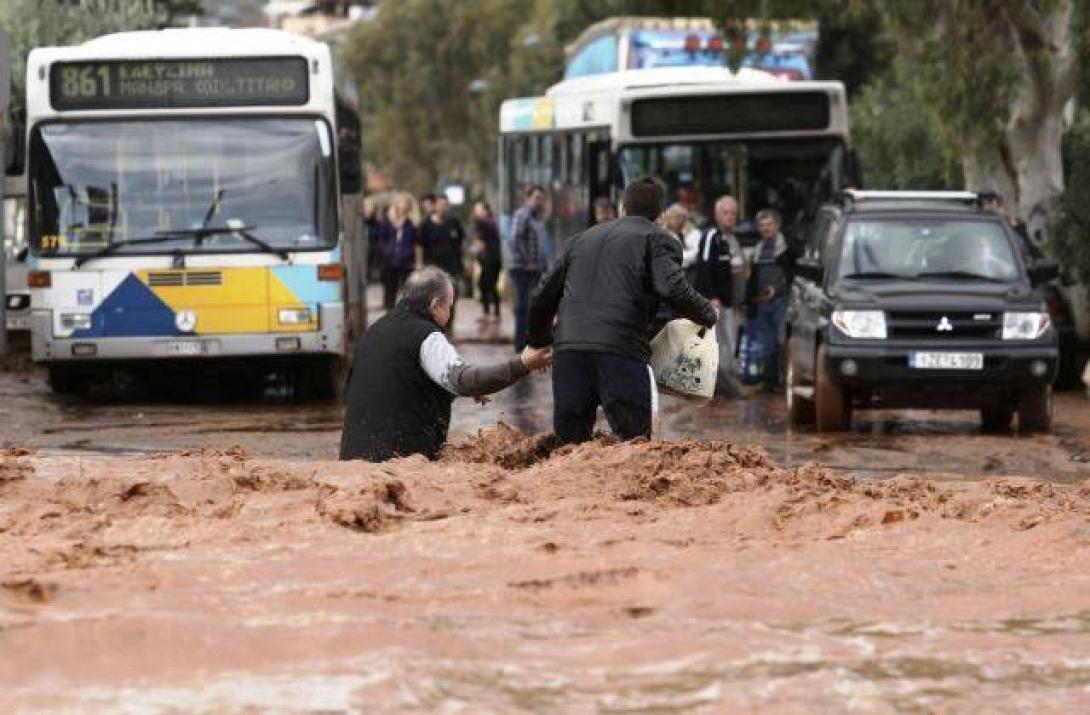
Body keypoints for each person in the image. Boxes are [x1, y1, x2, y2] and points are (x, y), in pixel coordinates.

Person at [528, 176, 718, 445]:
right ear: (661, 215)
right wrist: (707, 313)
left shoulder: (579, 240)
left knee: (569, 449)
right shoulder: (658, 238)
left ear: (622, 208)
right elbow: (672, 288)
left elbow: (540, 298)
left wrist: (537, 342)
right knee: (634, 448)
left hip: (569, 354)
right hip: (620, 353)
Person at [340, 267, 553, 462]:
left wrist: (455, 390)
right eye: (450, 307)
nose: (450, 314)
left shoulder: (374, 331)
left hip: (353, 463)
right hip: (400, 465)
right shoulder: (427, 337)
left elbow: (402, 381)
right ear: (435, 305)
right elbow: (465, 381)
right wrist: (523, 363)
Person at [694, 195, 747, 397]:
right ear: (717, 215)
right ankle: (718, 385)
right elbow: (704, 266)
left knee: (729, 343)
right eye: (726, 212)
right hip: (716, 301)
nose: (730, 217)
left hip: (732, 301)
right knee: (718, 342)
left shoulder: (733, 238)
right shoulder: (711, 236)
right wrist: (711, 296)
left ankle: (726, 382)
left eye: (733, 213)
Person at [746, 209, 798, 390]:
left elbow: (794, 275)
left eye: (769, 225)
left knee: (781, 340)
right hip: (762, 302)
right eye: (762, 226)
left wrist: (778, 289)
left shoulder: (788, 248)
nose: (765, 229)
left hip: (782, 301)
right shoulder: (757, 250)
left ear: (777, 226)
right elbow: (752, 277)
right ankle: (770, 380)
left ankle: (786, 379)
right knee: (766, 342)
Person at [416, 195, 467, 333]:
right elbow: (419, 245)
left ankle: (448, 326)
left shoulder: (454, 222)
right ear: (435, 206)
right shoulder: (426, 224)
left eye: (445, 204)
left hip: (452, 267)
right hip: (432, 268)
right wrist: (419, 264)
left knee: (451, 297)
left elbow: (462, 243)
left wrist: (465, 261)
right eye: (440, 204)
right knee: (433, 298)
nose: (443, 207)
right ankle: (433, 326)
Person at [509, 184, 548, 351]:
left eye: (542, 199)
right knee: (523, 306)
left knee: (533, 307)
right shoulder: (522, 215)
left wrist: (543, 265)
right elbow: (515, 240)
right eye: (537, 198)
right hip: (522, 269)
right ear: (528, 198)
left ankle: (529, 342)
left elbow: (539, 245)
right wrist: (528, 261)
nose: (540, 202)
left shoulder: (537, 217)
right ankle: (520, 345)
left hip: (535, 269)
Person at [376, 192, 419, 310]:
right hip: (389, 261)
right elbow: (381, 239)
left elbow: (416, 242)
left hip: (407, 261)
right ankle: (389, 312)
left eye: (406, 203)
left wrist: (411, 255)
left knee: (408, 290)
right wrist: (387, 251)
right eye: (401, 202)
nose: (403, 205)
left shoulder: (413, 223)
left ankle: (406, 314)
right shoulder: (388, 221)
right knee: (390, 289)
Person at [473, 201, 502, 323]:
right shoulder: (489, 223)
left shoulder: (485, 223)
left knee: (489, 286)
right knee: (484, 285)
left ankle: (495, 314)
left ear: (486, 211)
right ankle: (488, 313)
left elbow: (480, 243)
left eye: (478, 209)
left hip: (491, 260)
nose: (476, 212)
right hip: (490, 260)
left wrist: (474, 250)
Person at [661, 203, 702, 281]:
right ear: (668, 218)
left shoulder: (693, 232)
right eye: (675, 217)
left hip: (691, 274)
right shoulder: (663, 234)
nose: (679, 220)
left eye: (682, 217)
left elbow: (697, 253)